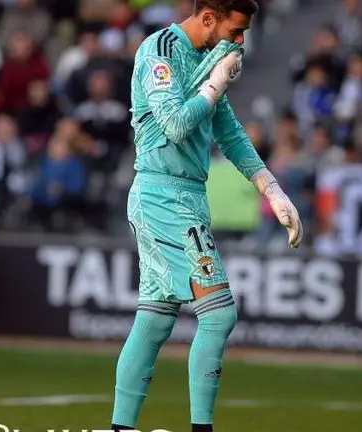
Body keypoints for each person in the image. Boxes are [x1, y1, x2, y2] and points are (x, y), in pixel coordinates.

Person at [111, 1, 304, 431]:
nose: (240, 42)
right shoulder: (160, 50)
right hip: (163, 196)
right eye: (236, 31)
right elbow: (175, 126)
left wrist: (271, 190)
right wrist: (213, 87)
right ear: (209, 18)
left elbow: (229, 131)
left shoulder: (205, 57)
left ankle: (120, 427)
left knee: (156, 319)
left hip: (186, 196)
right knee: (218, 315)